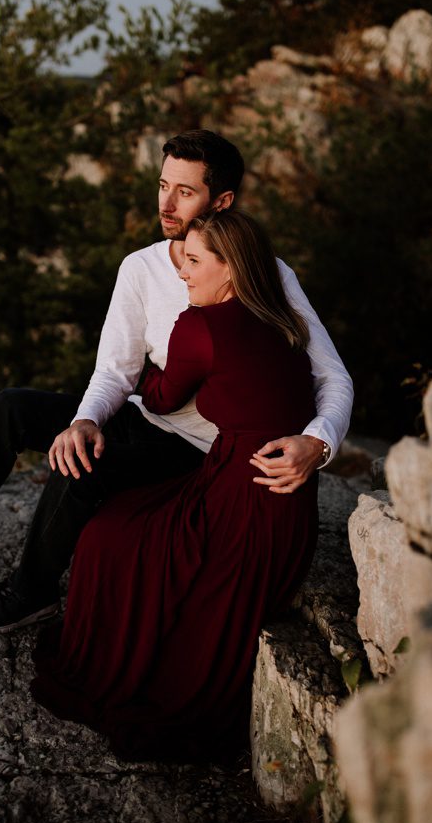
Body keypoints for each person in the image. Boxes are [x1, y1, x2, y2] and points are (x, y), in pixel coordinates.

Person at [0, 130, 353, 634]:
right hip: (142, 414)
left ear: (221, 201)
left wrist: (319, 442)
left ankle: (33, 592)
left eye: (185, 191)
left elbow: (331, 375)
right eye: (163, 185)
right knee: (13, 407)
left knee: (82, 466)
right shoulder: (141, 268)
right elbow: (115, 370)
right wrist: (86, 419)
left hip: (198, 452)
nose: (166, 202)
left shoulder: (267, 273)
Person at [31, 210, 321, 761]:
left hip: (238, 496)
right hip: (289, 515)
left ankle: (105, 652)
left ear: (229, 268)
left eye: (193, 261)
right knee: (141, 530)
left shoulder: (198, 325)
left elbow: (161, 397)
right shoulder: (285, 322)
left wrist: (154, 375)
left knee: (110, 534)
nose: (181, 271)